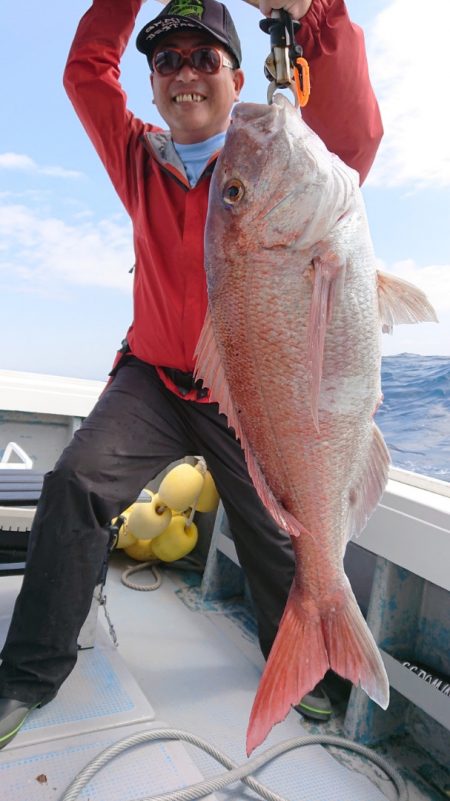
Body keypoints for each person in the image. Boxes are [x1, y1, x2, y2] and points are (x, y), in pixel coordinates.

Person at [0, 0, 383, 749]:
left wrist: (316, 13)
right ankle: (28, 673)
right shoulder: (138, 154)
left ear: (239, 78)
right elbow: (85, 74)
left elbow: (358, 132)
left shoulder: (287, 160)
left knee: (285, 531)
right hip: (150, 379)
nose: (185, 75)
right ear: (150, 85)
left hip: (245, 392)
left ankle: (309, 669)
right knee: (76, 482)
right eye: (166, 61)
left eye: (204, 58)